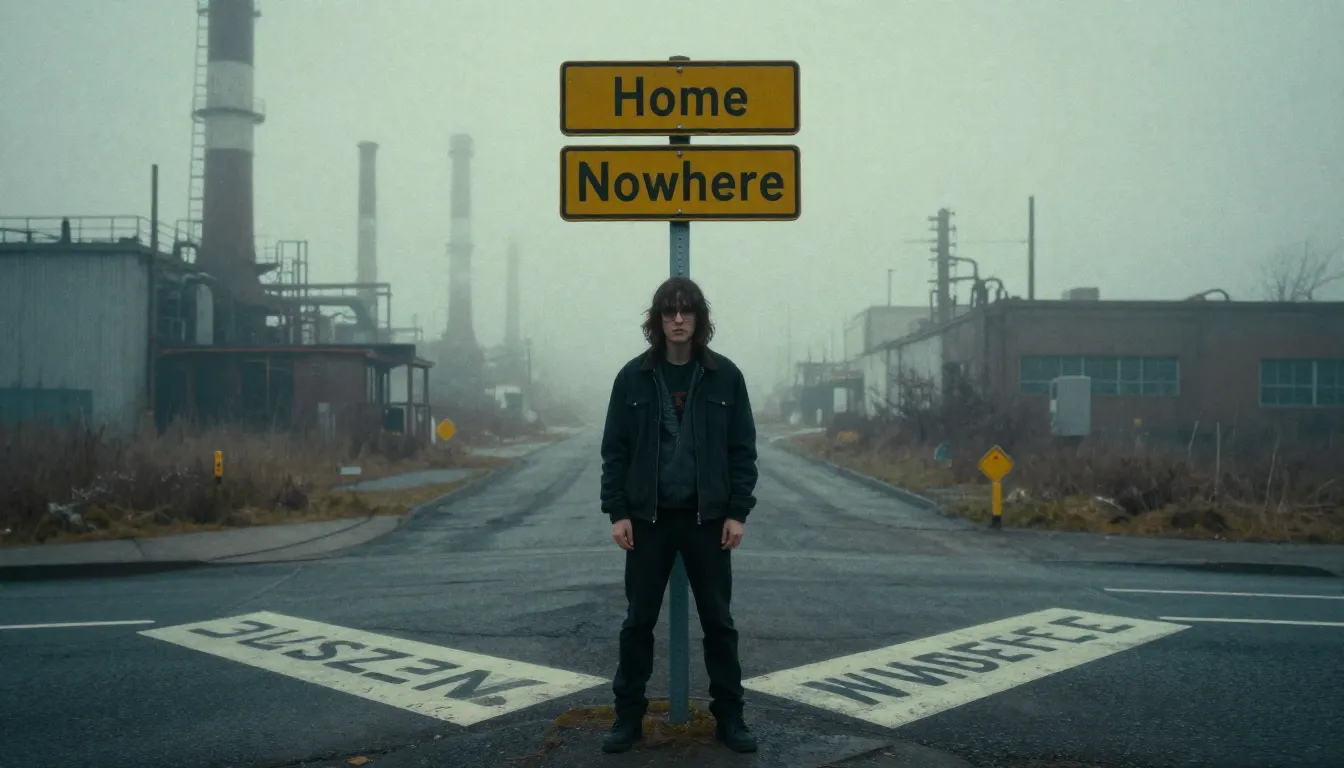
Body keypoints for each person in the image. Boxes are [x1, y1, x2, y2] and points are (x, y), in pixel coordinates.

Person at [598, 276, 759, 754]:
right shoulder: (632, 377)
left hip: (707, 521)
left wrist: (737, 512)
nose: (678, 319)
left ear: (699, 318)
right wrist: (617, 511)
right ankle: (628, 719)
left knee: (719, 624)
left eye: (687, 310)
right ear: (658, 319)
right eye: (669, 311)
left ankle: (730, 719)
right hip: (647, 522)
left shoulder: (726, 376)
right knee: (637, 624)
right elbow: (614, 451)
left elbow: (742, 450)